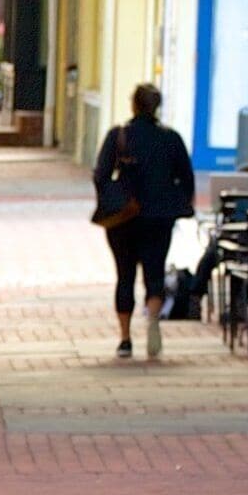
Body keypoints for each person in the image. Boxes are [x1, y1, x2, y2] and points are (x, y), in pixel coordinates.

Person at [94, 83, 196, 360]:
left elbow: (101, 175)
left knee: (124, 275)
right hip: (159, 218)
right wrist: (177, 205)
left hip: (123, 219)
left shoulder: (119, 136)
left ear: (134, 105)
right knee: (155, 272)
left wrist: (112, 198)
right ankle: (153, 322)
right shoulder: (171, 138)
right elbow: (186, 179)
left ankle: (125, 339)